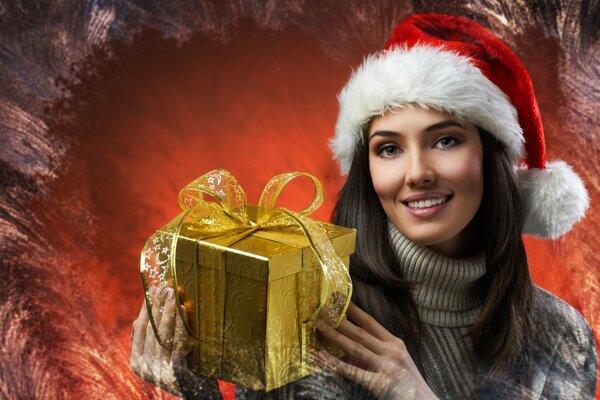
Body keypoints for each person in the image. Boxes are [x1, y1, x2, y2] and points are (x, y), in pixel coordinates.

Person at [130, 13, 598, 399]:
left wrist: (411, 393)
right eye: (389, 149)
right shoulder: (303, 315)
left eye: (446, 140)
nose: (416, 173)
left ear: (493, 160)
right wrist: (196, 392)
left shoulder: (561, 339)